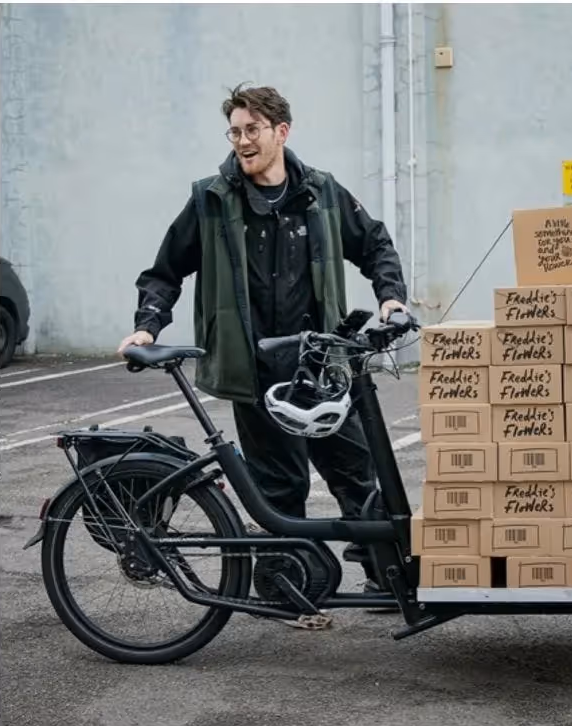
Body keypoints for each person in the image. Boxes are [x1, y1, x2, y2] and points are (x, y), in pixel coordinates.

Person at [117, 83, 408, 612]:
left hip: (321, 365)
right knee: (278, 485)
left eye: (252, 129)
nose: (242, 141)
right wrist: (147, 326)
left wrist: (390, 297)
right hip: (254, 368)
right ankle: (283, 585)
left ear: (281, 131)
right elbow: (164, 271)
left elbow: (375, 244)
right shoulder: (210, 200)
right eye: (234, 131)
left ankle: (386, 577)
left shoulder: (322, 192)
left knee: (356, 472)